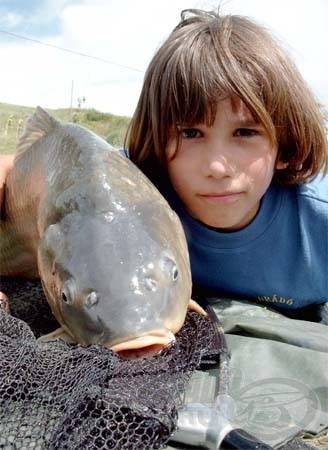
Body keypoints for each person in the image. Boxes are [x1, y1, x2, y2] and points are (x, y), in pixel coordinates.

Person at [123, 9, 328, 316]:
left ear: (285, 147)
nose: (217, 168)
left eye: (245, 132)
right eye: (190, 133)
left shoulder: (318, 224)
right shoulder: (127, 194)